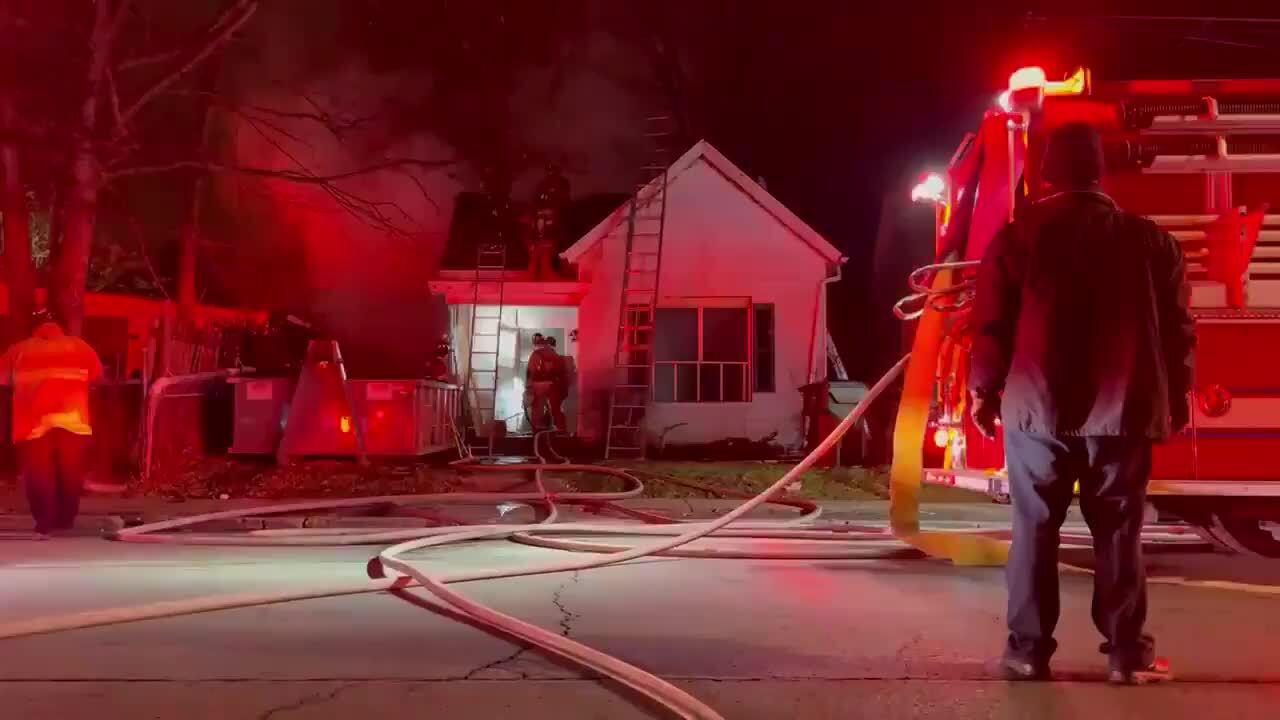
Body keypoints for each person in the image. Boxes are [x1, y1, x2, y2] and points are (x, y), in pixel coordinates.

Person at [968, 122, 1195, 684]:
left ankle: (1026, 652)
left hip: (1035, 413)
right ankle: (1127, 656)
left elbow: (991, 327)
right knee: (1118, 530)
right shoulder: (1151, 242)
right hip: (1123, 412)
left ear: (1047, 175)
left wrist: (982, 392)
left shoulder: (1017, 239)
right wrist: (1176, 397)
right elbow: (1178, 332)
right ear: (1100, 173)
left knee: (1034, 529)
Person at [0, 309, 105, 538]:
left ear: (34, 328)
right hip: (73, 420)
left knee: (39, 474)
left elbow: (3, 380)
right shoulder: (80, 347)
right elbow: (98, 376)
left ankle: (45, 520)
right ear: (62, 327)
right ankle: (66, 519)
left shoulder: (19, 350)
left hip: (33, 423)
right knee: (70, 472)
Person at [524, 334, 565, 431]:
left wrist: (528, 387)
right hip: (553, 386)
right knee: (555, 409)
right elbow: (561, 373)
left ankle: (537, 431)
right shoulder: (555, 355)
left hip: (539, 385)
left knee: (537, 410)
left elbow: (531, 371)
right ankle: (559, 430)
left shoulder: (536, 354)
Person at [545, 336, 569, 431]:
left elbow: (551, 374)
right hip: (557, 389)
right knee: (555, 409)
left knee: (555, 409)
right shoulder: (557, 358)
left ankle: (560, 428)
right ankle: (559, 428)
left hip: (556, 389)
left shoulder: (553, 359)